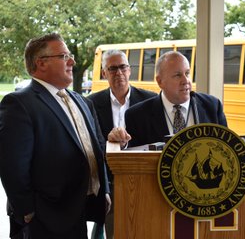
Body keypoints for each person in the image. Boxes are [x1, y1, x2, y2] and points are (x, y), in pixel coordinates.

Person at [0, 33, 110, 239]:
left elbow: (97, 147)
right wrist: (27, 210)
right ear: (41, 63)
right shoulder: (19, 104)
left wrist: (103, 189)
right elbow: (12, 165)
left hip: (82, 210)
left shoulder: (82, 101)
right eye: (64, 56)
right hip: (45, 219)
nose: (72, 61)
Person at [87, 49, 156, 239]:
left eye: (123, 67)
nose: (119, 73)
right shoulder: (91, 103)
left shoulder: (150, 100)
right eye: (113, 69)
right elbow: (91, 144)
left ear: (130, 70)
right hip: (110, 181)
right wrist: (109, 141)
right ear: (104, 73)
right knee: (115, 232)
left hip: (144, 179)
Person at [107, 51, 227, 147]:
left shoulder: (212, 106)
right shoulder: (137, 115)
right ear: (160, 81)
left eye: (188, 73)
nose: (186, 81)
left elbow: (227, 147)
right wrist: (122, 143)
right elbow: (132, 155)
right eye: (178, 75)